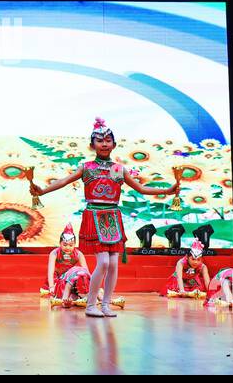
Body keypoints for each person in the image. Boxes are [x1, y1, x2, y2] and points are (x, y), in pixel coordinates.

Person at [31, 117, 180, 318]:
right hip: (94, 215)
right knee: (103, 263)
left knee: (114, 264)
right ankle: (91, 304)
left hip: (113, 216)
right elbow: (65, 181)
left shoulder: (119, 169)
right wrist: (43, 191)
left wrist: (169, 190)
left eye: (108, 140)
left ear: (114, 144)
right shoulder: (86, 167)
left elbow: (141, 189)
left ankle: (106, 304)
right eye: (100, 140)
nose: (104, 144)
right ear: (92, 145)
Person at [42, 222, 87, 296]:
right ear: (60, 243)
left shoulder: (79, 254)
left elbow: (86, 272)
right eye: (65, 245)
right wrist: (51, 287)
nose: (68, 248)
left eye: (71, 245)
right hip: (55, 280)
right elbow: (50, 272)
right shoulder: (54, 253)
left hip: (69, 279)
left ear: (75, 244)